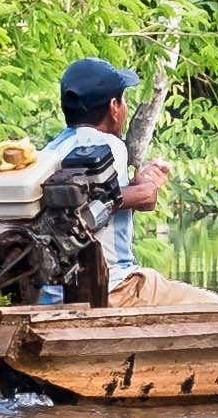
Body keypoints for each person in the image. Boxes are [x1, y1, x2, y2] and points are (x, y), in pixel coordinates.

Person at [44, 57, 182, 306]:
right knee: (214, 305)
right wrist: (147, 189)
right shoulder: (109, 146)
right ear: (113, 106)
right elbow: (105, 200)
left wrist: (136, 182)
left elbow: (96, 194)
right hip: (113, 288)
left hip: (53, 293)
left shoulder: (51, 150)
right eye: (124, 100)